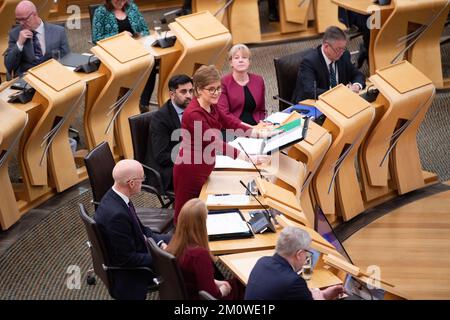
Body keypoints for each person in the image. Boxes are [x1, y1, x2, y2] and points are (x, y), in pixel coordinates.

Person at [172, 65, 272, 224]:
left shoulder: (212, 105)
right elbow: (216, 143)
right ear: (198, 90)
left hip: (205, 166)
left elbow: (231, 122)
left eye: (218, 88)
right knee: (185, 218)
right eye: (211, 89)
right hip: (189, 171)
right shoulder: (193, 114)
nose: (216, 93)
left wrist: (258, 133)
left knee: (201, 216)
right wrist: (248, 158)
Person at [94, 159, 171, 300]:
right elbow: (128, 259)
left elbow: (142, 230)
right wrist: (162, 256)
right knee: (186, 259)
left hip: (142, 246)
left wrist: (160, 244)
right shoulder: (116, 216)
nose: (143, 181)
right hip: (134, 271)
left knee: (182, 239)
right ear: (131, 183)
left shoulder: (117, 196)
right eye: (142, 178)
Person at [166, 198, 245, 300]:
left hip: (189, 293)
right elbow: (212, 296)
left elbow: (192, 278)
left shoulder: (176, 242)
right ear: (201, 224)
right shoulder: (199, 255)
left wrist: (215, 282)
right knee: (245, 283)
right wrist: (224, 289)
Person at [245, 226, 344, 300]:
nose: (307, 257)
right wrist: (321, 296)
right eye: (307, 252)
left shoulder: (262, 262)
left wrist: (324, 294)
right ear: (299, 254)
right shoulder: (294, 282)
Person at [91, 0, 155, 113]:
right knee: (132, 68)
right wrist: (119, 36)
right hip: (114, 53)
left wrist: (138, 35)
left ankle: (143, 103)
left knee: (150, 63)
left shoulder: (132, 7)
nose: (121, 2)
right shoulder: (101, 12)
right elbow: (97, 38)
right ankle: (125, 101)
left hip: (135, 49)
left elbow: (145, 30)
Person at [292, 26, 366, 103]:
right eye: (338, 49)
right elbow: (310, 91)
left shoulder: (344, 55)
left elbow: (358, 74)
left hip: (339, 102)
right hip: (314, 105)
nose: (341, 53)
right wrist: (340, 93)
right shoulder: (309, 62)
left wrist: (356, 86)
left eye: (343, 48)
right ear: (326, 46)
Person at [145, 74, 193, 192]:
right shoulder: (161, 119)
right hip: (166, 170)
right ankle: (190, 209)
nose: (189, 96)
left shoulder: (191, 110)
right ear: (172, 94)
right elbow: (161, 157)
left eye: (191, 91)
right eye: (183, 92)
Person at [4, 0, 70, 77]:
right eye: (18, 20)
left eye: (24, 19)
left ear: (35, 14)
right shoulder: (15, 34)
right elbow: (9, 66)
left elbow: (67, 58)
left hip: (52, 77)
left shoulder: (58, 31)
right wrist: (19, 43)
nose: (21, 23)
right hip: (27, 80)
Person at [218, 44, 266, 127]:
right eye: (236, 58)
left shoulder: (259, 80)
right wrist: (247, 128)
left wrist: (262, 123)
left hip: (257, 126)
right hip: (233, 128)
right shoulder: (223, 83)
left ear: (249, 61)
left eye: (244, 57)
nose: (241, 60)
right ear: (231, 62)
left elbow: (261, 110)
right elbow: (224, 114)